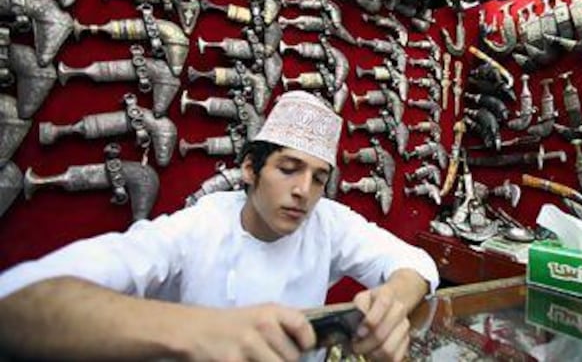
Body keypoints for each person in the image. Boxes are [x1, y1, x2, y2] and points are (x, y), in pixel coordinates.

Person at [0, 90, 439, 361]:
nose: (304, 191)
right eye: (288, 169)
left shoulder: (327, 223)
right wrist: (199, 329)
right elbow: (17, 302)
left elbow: (416, 263)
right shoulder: (197, 227)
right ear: (250, 169)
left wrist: (391, 303)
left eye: (319, 177)